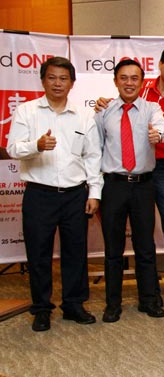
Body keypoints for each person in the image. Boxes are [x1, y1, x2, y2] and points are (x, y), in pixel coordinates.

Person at [95, 46, 164, 308]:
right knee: (141, 235)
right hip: (129, 171)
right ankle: (146, 291)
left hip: (163, 167)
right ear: (161, 64)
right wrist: (101, 104)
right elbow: (112, 120)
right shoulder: (139, 88)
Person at [7, 57, 103, 332]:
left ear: (72, 83)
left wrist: (94, 193)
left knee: (76, 253)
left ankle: (74, 305)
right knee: (38, 254)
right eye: (52, 77)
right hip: (39, 194)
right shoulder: (27, 111)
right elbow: (13, 148)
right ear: (43, 80)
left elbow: (93, 156)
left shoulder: (83, 116)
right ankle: (41, 308)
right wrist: (36, 146)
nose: (57, 83)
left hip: (75, 194)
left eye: (63, 78)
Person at [94, 59, 164, 323]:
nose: (129, 83)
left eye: (134, 78)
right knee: (113, 248)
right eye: (123, 78)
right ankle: (112, 303)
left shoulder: (152, 108)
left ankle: (148, 300)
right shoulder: (103, 112)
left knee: (145, 246)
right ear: (116, 81)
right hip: (113, 186)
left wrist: (157, 135)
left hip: (143, 186)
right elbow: (95, 150)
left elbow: (162, 128)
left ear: (142, 81)